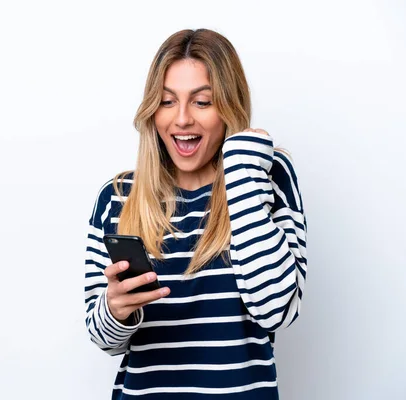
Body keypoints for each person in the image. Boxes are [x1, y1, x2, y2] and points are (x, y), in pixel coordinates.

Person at [84, 28, 307, 399]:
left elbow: (276, 311)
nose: (182, 119)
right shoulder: (117, 197)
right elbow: (104, 340)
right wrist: (114, 308)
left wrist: (241, 171)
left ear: (229, 108)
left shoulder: (266, 178)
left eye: (202, 102)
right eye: (168, 101)